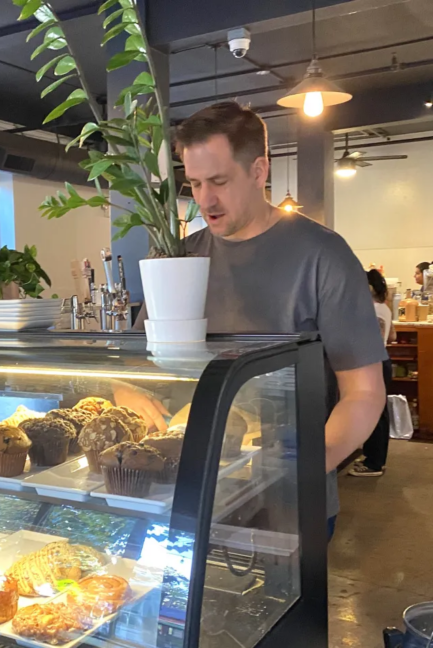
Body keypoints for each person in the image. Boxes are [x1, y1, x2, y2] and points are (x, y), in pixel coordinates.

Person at [117, 101, 387, 539]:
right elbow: (133, 368)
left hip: (288, 500)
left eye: (219, 181)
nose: (205, 199)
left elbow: (364, 393)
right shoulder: (180, 257)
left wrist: (301, 466)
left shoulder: (321, 255)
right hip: (185, 492)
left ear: (259, 171)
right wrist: (128, 393)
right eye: (196, 183)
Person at [349, 270, 395, 477]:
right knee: (377, 411)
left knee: (373, 413)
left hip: (370, 364)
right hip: (381, 361)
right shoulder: (383, 308)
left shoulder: (371, 310)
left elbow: (370, 341)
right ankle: (375, 458)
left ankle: (374, 463)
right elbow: (392, 335)